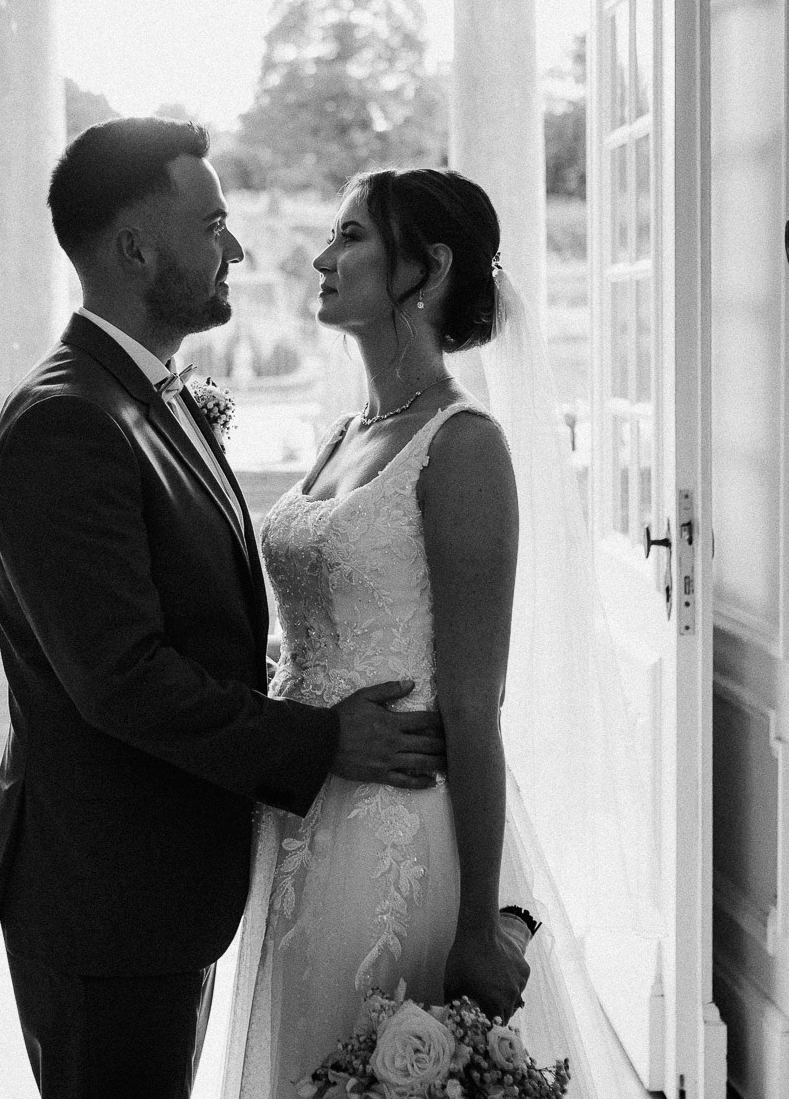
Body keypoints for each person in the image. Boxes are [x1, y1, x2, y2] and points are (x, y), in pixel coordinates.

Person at [0, 117, 450, 1099]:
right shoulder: (66, 422)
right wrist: (321, 739)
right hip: (107, 903)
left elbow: (188, 615)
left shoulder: (146, 395)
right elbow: (123, 677)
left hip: (161, 889)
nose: (237, 248)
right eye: (213, 224)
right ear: (135, 250)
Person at [223, 167, 566, 1097]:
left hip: (397, 838)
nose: (323, 259)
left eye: (351, 237)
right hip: (300, 820)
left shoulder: (463, 445)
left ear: (429, 267)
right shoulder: (346, 433)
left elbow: (476, 703)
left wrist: (476, 925)